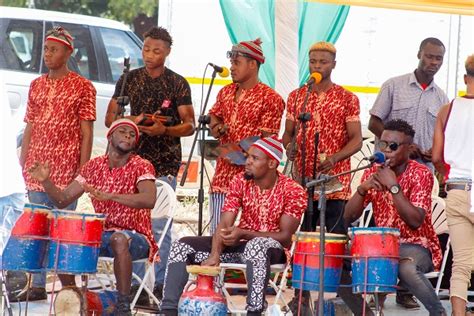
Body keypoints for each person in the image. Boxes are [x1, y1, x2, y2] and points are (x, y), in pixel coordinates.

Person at [160, 136, 307, 315]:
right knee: (182, 245)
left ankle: (254, 311)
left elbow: (285, 237)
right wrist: (215, 254)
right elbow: (225, 223)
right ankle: (168, 310)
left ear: (271, 163)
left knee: (256, 246)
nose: (248, 162)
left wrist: (244, 233)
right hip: (240, 246)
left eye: (254, 158)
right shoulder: (240, 181)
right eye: (248, 156)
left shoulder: (293, 190)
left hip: (273, 251)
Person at [28, 119, 157, 315]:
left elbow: (149, 199)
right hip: (103, 234)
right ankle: (73, 297)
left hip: (136, 237)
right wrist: (46, 182)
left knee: (119, 238)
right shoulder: (93, 167)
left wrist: (110, 196)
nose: (128, 137)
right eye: (123, 132)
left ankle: (123, 306)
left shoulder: (142, 165)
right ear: (110, 136)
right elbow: (63, 199)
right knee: (64, 237)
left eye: (132, 135)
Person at [105, 26, 195, 301]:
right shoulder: (128, 80)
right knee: (130, 224)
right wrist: (136, 121)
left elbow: (189, 125)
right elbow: (110, 120)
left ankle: (163, 286)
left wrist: (164, 130)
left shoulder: (177, 83)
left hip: (163, 164)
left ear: (167, 52)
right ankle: (137, 285)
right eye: (146, 49)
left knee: (159, 226)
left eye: (156, 50)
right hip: (130, 163)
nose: (149, 55)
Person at [282, 41, 362, 312]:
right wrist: (289, 147)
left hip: (334, 184)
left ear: (334, 65)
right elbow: (288, 133)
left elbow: (357, 140)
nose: (317, 66)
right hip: (301, 182)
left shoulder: (347, 98)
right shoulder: (297, 96)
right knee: (302, 238)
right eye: (313, 61)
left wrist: (334, 159)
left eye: (323, 62)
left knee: (333, 240)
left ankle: (334, 297)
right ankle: (301, 295)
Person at [18, 26, 96, 300]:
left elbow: (87, 131)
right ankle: (37, 285)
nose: (47, 54)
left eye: (53, 49)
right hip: (37, 166)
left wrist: (83, 171)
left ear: (67, 53)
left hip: (66, 168)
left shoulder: (83, 86)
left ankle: (69, 289)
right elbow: (29, 126)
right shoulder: (36, 85)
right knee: (37, 225)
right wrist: (23, 160)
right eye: (46, 50)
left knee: (63, 227)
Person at [341, 119, 446, 316]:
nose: (387, 150)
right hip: (380, 246)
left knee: (404, 265)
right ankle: (365, 312)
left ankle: (438, 312)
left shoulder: (420, 174)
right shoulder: (373, 171)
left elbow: (415, 221)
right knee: (333, 259)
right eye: (383, 144)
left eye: (394, 146)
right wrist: (362, 190)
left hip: (418, 246)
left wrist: (394, 186)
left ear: (409, 149)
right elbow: (348, 216)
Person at [208, 38, 285, 234]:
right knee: (218, 235)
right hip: (222, 179)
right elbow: (214, 115)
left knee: (243, 238)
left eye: (236, 63)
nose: (231, 67)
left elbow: (267, 140)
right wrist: (216, 126)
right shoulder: (225, 92)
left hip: (252, 183)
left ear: (252, 64)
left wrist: (228, 151)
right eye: (231, 62)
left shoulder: (270, 98)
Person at [432, 55, 474, 316]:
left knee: (461, 263)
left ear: (465, 78)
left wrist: (447, 173)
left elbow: (436, 157)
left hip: (457, 190)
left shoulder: (447, 109)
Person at [368, 37, 448, 169]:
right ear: (419, 55)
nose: (434, 62)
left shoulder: (442, 99)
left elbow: (443, 136)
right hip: (388, 167)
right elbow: (373, 124)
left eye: (438, 58)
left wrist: (434, 150)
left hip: (422, 171)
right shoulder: (393, 86)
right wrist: (400, 146)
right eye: (429, 57)